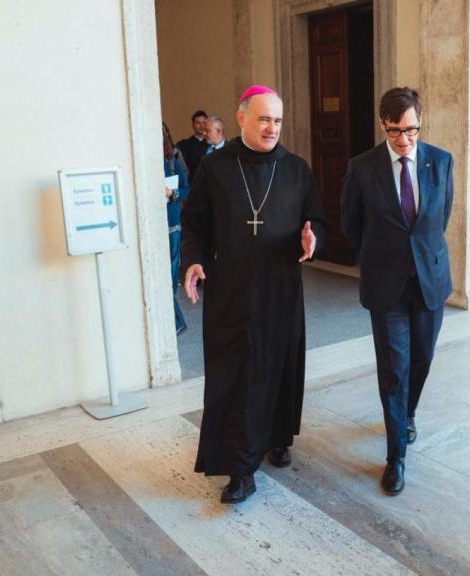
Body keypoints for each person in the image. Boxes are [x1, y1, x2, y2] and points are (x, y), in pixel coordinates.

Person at [180, 85, 326, 504]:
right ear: (241, 118)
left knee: (279, 366)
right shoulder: (216, 168)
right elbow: (195, 224)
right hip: (231, 289)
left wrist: (313, 237)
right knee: (238, 375)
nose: (271, 127)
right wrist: (192, 260)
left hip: (281, 288)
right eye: (263, 119)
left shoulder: (297, 170)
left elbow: (316, 218)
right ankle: (240, 468)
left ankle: (277, 436)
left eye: (277, 120)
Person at [340, 87, 453, 495]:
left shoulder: (440, 162)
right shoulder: (362, 167)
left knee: (422, 359)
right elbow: (350, 224)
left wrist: (419, 255)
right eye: (395, 131)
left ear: (419, 122)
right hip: (385, 286)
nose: (404, 139)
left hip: (429, 282)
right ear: (382, 125)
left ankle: (408, 415)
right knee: (394, 370)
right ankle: (395, 457)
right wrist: (383, 255)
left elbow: (439, 218)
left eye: (411, 130)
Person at [163, 122, 189, 335]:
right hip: (152, 224)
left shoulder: (172, 161)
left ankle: (176, 322)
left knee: (171, 274)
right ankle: (176, 322)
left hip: (171, 224)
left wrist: (172, 194)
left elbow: (186, 189)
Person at [175, 110, 210, 177]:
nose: (201, 126)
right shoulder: (184, 145)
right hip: (192, 183)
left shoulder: (212, 144)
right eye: (198, 123)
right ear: (193, 125)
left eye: (204, 123)